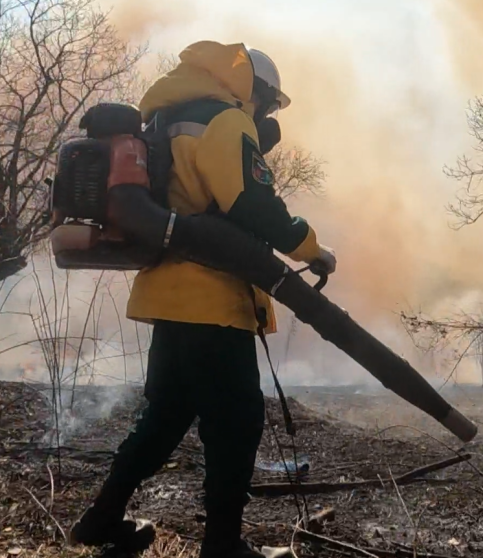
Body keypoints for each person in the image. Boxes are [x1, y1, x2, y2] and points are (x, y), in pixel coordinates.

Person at [68, 41, 336, 558]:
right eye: (269, 106)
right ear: (255, 92)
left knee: (164, 418)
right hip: (213, 301)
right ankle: (222, 546)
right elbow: (253, 204)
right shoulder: (225, 121)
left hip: (169, 299)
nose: (267, 118)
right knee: (236, 422)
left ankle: (102, 519)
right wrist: (312, 248)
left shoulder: (167, 120)